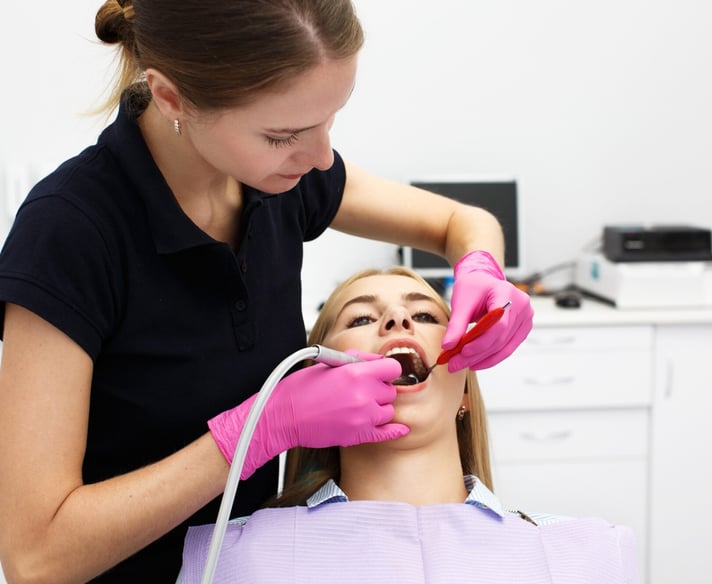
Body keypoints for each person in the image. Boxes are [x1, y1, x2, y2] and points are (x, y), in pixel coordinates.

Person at [0, 1, 535, 583]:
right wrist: (258, 430)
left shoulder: (282, 179)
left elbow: (461, 222)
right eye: (283, 135)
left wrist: (483, 268)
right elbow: (35, 560)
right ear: (172, 97)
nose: (322, 157)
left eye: (332, 117)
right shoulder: (71, 232)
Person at [179, 267, 639, 584]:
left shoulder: (588, 553)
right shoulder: (230, 554)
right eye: (361, 317)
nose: (397, 320)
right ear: (317, 382)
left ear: (464, 392)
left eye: (424, 315)